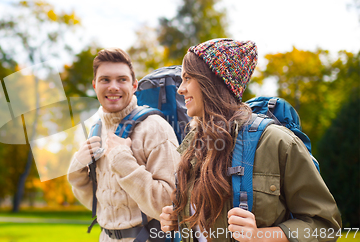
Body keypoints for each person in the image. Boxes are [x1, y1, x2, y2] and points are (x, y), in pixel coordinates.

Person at [159, 39, 341, 242]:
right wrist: (180, 220)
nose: (180, 89)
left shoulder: (276, 142)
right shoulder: (193, 147)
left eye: (187, 78)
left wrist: (261, 236)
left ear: (212, 81)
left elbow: (326, 226)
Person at [68, 48, 181, 242]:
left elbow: (169, 202)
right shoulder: (96, 129)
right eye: (105, 80)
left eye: (122, 79)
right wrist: (76, 168)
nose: (113, 87)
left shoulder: (155, 128)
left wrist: (122, 160)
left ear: (134, 85)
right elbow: (99, 203)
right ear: (95, 85)